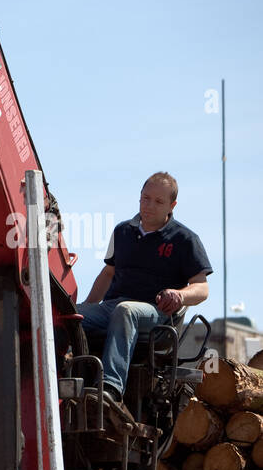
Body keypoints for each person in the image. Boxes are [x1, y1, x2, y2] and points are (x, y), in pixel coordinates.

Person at [78, 171, 211, 402]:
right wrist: (83, 310)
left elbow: (201, 288)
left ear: (172, 205)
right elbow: (108, 273)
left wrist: (179, 295)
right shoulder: (122, 232)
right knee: (68, 316)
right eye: (145, 198)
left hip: (156, 313)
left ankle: (110, 389)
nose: (149, 205)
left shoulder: (185, 239)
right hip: (113, 305)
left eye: (158, 201)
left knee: (126, 310)